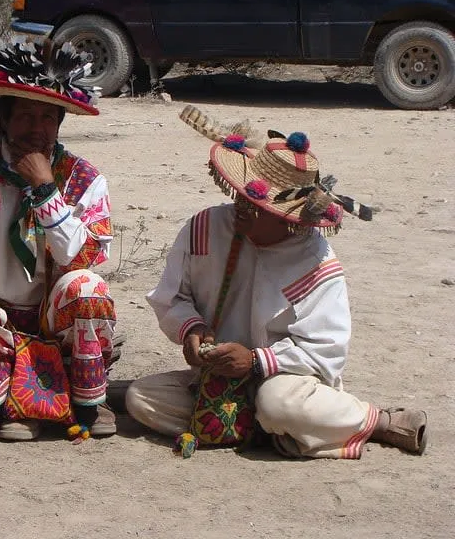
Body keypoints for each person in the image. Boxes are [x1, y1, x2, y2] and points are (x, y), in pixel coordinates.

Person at [125, 105, 429, 458]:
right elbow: (172, 297)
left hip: (285, 382)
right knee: (142, 399)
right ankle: (270, 429)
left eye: (255, 206)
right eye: (241, 195)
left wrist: (255, 361)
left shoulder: (317, 263)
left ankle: (378, 421)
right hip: (216, 381)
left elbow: (324, 353)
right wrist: (191, 329)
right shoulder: (204, 228)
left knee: (278, 402)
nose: (241, 206)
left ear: (290, 219)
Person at [0, 39, 117, 441]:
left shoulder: (83, 180)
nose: (36, 128)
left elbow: (79, 256)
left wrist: (47, 191)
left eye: (48, 117)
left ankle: (88, 403)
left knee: (89, 288)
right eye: (26, 115)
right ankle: (15, 404)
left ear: (60, 124)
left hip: (53, 314)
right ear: (3, 120)